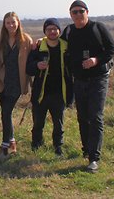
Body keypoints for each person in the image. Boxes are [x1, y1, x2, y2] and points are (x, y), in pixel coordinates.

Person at [61, 0, 114, 171]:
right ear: (70, 14)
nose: (78, 15)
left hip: (98, 78)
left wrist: (96, 60)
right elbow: (57, 44)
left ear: (87, 12)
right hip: (79, 79)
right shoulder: (69, 31)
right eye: (74, 12)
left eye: (81, 11)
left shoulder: (97, 28)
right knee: (82, 116)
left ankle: (94, 158)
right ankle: (86, 150)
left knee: (96, 116)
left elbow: (112, 49)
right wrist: (41, 41)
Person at [26, 18, 73, 156]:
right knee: (38, 122)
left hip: (60, 92)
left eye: (55, 29)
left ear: (59, 30)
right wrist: (36, 65)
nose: (52, 31)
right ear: (45, 32)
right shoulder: (39, 47)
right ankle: (36, 145)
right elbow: (28, 69)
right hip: (41, 92)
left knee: (59, 123)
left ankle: (58, 146)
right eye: (49, 29)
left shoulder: (66, 47)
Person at [0, 11, 32, 157]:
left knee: (5, 112)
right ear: (4, 25)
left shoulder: (26, 40)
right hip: (1, 81)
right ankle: (12, 143)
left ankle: (5, 147)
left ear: (18, 23)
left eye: (13, 22)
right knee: (6, 113)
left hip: (17, 82)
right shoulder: (0, 40)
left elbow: (31, 61)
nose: (11, 25)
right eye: (8, 22)